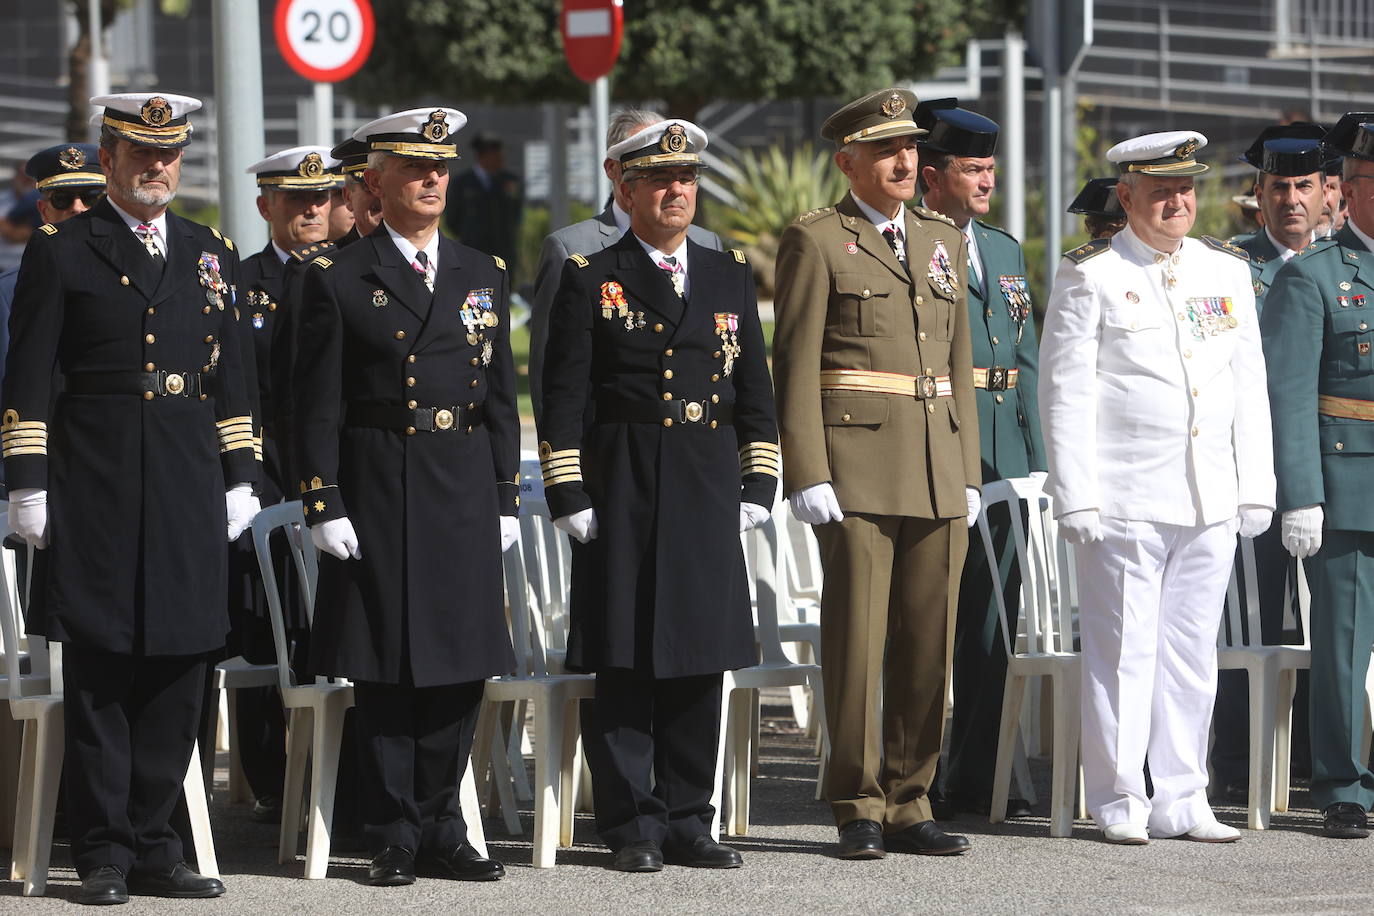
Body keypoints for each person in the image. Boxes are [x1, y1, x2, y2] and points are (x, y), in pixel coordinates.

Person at [2, 92, 258, 904]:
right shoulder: (64, 249)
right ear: (107, 159)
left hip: (187, 481)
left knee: (183, 668)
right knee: (105, 672)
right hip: (97, 480)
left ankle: (158, 845)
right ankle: (104, 852)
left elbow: (233, 375)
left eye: (169, 154)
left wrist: (243, 473)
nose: (156, 167)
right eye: (140, 154)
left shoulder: (208, 249)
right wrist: (27, 484)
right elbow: (32, 374)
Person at [539, 118, 777, 872]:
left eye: (688, 180)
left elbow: (754, 387)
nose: (678, 193)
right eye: (661, 181)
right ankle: (632, 824)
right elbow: (562, 394)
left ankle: (688, 818)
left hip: (705, 481)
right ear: (626, 187)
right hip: (626, 480)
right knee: (627, 658)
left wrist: (760, 476)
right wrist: (569, 490)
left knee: (699, 656)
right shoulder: (591, 273)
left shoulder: (727, 271)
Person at [293, 107, 518, 885]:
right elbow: (316, 403)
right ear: (375, 181)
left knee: (460, 660)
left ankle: (444, 825)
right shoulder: (338, 277)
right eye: (415, 168)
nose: (431, 180)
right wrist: (323, 501)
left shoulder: (480, 271)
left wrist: (506, 496)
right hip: (379, 477)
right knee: (385, 662)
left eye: (441, 167)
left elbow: (499, 394)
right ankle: (393, 829)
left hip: (459, 478)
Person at [1038, 130, 1274, 845]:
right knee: (1121, 653)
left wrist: (1255, 483)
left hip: (1207, 497)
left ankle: (1182, 795)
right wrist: (1075, 491)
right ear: (1128, 195)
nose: (1178, 202)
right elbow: (1064, 391)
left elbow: (1247, 386)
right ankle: (1118, 799)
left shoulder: (1222, 271)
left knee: (1191, 654)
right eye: (1162, 190)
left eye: (1186, 188)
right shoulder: (1092, 273)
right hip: (1127, 496)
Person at [772, 88, 981, 860]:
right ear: (847, 161)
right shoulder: (820, 239)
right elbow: (793, 363)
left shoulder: (941, 239)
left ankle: (910, 797)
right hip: (855, 465)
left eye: (911, 148)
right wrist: (808, 469)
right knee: (858, 643)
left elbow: (958, 360)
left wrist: (965, 467)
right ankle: (857, 801)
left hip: (934, 464)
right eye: (887, 149)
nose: (905, 161)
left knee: (929, 642)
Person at [914, 99, 1046, 819]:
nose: (985, 180)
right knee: (932, 624)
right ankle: (917, 777)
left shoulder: (1003, 248)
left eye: (990, 168)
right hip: (940, 443)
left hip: (1004, 450)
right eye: (971, 169)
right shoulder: (914, 244)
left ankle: (980, 776)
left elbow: (1023, 360)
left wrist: (1038, 459)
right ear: (933, 177)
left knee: (995, 621)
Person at [1262, 112, 1374, 840]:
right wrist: (1301, 493)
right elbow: (1291, 396)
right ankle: (1343, 785)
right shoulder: (1314, 276)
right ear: (1353, 190)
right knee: (1344, 641)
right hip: (1350, 484)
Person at [223, 145, 339, 825]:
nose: (310, 210)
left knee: (331, 622)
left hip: (336, 480)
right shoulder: (240, 284)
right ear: (266, 206)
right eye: (295, 200)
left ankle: (333, 770)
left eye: (320, 198)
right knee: (265, 626)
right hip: (265, 477)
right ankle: (268, 779)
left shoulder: (352, 274)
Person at [1209, 125, 1325, 802]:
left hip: (1325, 475)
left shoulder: (1343, 266)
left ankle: (1311, 759)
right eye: (1277, 186)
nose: (1290, 199)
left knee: (1325, 626)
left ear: (1326, 194)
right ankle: (1235, 761)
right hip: (1246, 477)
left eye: (1303, 186)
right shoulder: (1229, 268)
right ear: (1258, 194)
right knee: (1241, 624)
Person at [529, 109, 722, 423]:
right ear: (613, 169)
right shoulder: (572, 249)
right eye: (644, 161)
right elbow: (548, 368)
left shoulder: (707, 244)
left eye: (682, 174)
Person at [0, 143, 106, 444]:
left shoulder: (145, 280)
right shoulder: (8, 292)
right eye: (62, 199)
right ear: (44, 211)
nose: (77, 207)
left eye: (91, 199)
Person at [443, 131, 522, 274]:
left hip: (504, 253)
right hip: (473, 251)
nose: (500, 159)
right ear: (482, 156)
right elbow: (452, 219)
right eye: (495, 155)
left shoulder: (510, 181)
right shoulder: (462, 183)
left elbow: (516, 215)